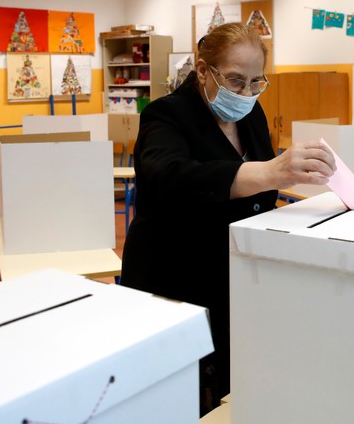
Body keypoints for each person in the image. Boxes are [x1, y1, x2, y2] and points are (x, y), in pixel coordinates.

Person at [120, 22, 336, 414]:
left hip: (233, 276)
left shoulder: (251, 115)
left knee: (231, 389)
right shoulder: (165, 116)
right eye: (235, 80)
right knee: (183, 395)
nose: (246, 93)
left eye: (256, 82)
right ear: (203, 70)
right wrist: (271, 171)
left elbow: (259, 199)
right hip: (174, 278)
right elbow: (172, 178)